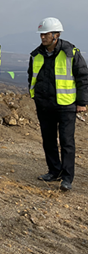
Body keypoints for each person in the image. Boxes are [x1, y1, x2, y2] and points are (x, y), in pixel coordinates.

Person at [29, 17, 88, 191]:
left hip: (66, 105)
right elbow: (31, 76)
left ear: (56, 35)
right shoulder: (36, 54)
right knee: (48, 140)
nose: (42, 37)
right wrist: (35, 96)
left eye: (46, 34)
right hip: (44, 104)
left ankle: (67, 178)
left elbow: (83, 77)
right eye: (41, 34)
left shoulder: (71, 52)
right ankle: (54, 171)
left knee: (66, 141)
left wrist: (82, 102)